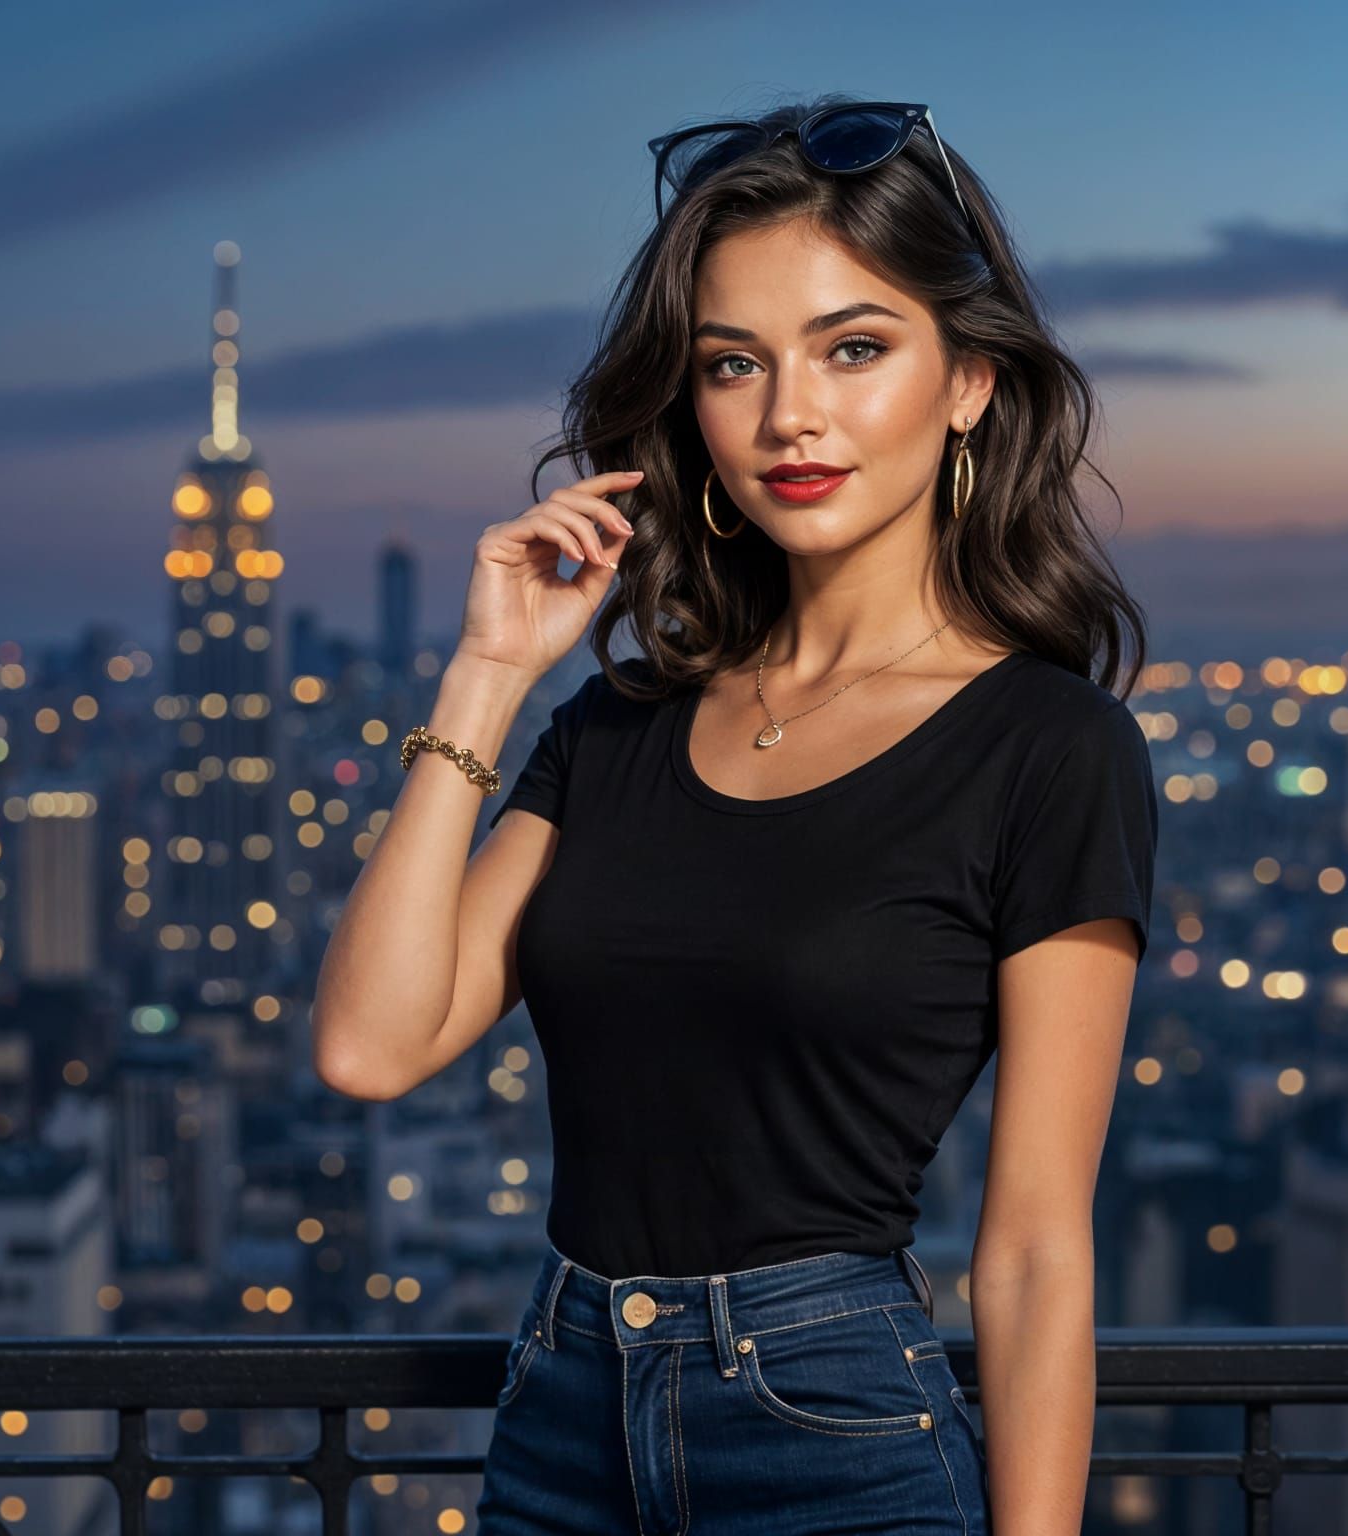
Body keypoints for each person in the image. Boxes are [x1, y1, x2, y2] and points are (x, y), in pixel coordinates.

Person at [313, 93, 1158, 1536]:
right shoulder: (620, 726)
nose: (790, 417)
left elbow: (1027, 1249)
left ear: (969, 382)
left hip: (833, 1428)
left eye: (854, 347)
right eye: (734, 364)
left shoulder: (1047, 748)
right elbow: (371, 1046)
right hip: (560, 1414)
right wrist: (484, 675)